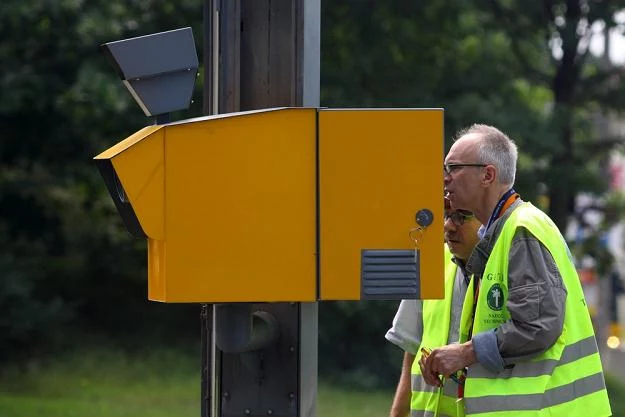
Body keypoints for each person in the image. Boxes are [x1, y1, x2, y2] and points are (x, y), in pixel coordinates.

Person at [422, 124, 611, 416]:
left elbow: (537, 326)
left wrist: (465, 352)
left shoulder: (523, 229)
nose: (445, 178)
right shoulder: (500, 233)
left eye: (454, 167)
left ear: (487, 175)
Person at [387, 198, 481, 417]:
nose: (448, 225)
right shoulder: (432, 262)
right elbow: (411, 353)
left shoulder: (509, 269)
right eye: (446, 215)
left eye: (461, 216)